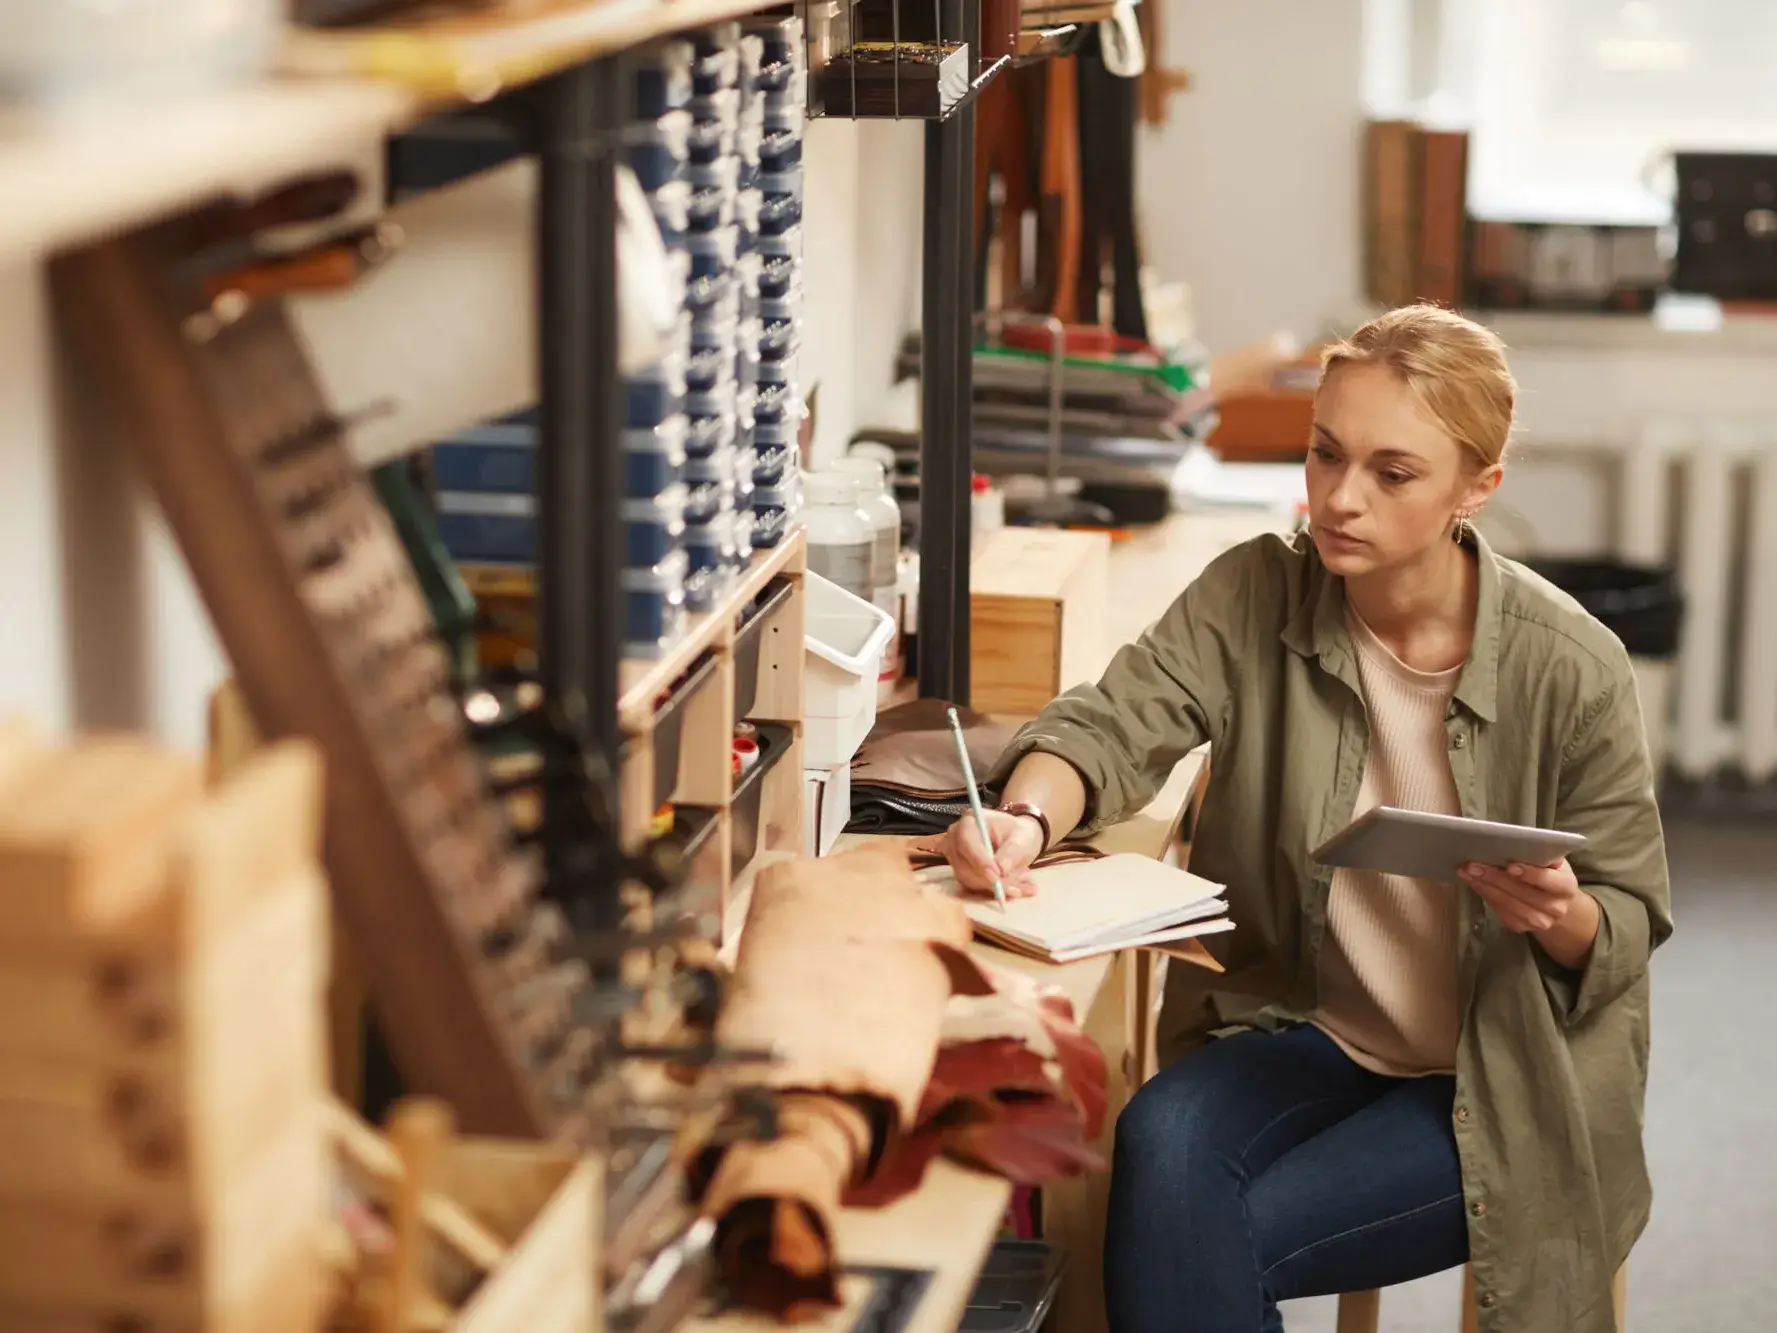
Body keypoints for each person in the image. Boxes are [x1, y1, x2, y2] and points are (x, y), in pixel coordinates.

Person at [936, 304, 1671, 1333]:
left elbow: (1628, 919)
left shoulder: (1574, 666)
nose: (1338, 496)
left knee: (1191, 1236)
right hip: (1303, 1029)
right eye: (1326, 453)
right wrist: (1022, 814)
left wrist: (1561, 916)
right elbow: (1112, 723)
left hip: (1494, 1075)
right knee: (1160, 1138)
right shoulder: (1254, 591)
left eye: (1391, 473)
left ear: (1477, 487)